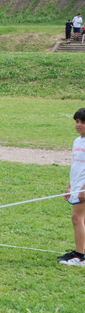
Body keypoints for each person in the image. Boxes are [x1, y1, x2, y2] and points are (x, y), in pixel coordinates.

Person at [60, 108, 85, 266]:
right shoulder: (77, 141)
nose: (79, 125)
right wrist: (70, 186)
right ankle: (80, 251)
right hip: (77, 186)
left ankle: (80, 256)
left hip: (83, 188)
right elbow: (75, 166)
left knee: (77, 218)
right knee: (81, 219)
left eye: (83, 122)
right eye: (77, 121)